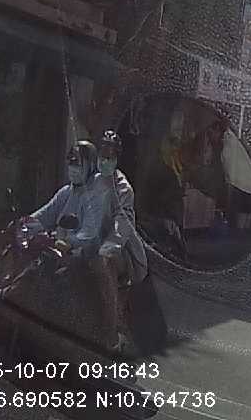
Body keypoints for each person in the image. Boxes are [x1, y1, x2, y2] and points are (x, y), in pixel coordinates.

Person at [28, 141, 120, 345]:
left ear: (90, 165)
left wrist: (68, 242)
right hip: (58, 251)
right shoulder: (65, 192)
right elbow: (44, 215)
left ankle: (111, 334)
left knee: (102, 272)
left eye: (77, 163)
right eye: (70, 162)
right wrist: (23, 224)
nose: (72, 167)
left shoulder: (98, 192)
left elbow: (90, 232)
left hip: (89, 254)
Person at [97, 130, 147, 354]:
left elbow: (122, 224)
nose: (105, 159)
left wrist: (110, 245)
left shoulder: (123, 188)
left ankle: (113, 330)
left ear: (116, 158)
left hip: (121, 250)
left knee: (104, 263)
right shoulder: (88, 180)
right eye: (103, 154)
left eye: (110, 155)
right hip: (87, 242)